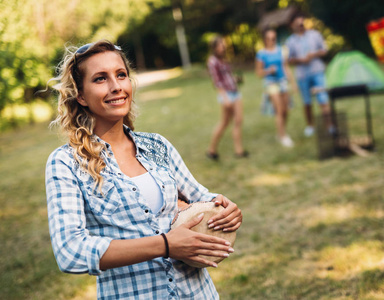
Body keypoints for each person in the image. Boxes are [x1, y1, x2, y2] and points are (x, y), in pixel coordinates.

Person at [45, 40, 243, 299]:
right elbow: (70, 252)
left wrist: (225, 209)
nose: (116, 86)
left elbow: (201, 197)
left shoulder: (157, 145)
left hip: (198, 293)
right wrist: (165, 245)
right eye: (100, 79)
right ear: (81, 96)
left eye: (121, 75)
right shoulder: (66, 164)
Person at [286, 14, 332, 137]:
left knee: (323, 99)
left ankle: (329, 126)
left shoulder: (315, 35)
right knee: (307, 102)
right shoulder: (290, 41)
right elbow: (289, 60)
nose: (301, 26)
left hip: (317, 71)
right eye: (298, 24)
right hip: (302, 75)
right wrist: (301, 60)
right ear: (293, 26)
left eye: (302, 24)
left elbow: (324, 50)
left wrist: (313, 55)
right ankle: (310, 126)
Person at [206, 36, 248, 160]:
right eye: (220, 45)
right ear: (214, 47)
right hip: (226, 95)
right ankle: (211, 150)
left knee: (238, 120)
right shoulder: (212, 61)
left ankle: (239, 150)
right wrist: (225, 98)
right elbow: (217, 82)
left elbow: (226, 77)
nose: (223, 47)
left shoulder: (223, 59)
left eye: (223, 44)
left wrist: (236, 79)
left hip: (235, 92)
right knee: (224, 123)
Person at [255, 28, 296, 148]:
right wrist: (268, 70)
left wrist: (293, 82)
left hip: (282, 81)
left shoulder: (281, 50)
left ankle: (281, 131)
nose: (271, 41)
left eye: (274, 38)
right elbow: (258, 73)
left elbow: (286, 67)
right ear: (265, 40)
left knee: (285, 110)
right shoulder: (261, 54)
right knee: (278, 109)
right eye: (269, 38)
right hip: (270, 83)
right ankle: (282, 136)